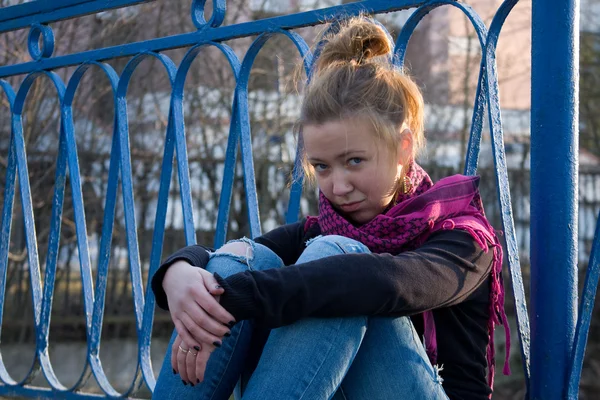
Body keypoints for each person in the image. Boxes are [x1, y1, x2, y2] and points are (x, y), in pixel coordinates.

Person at [150, 16, 510, 400]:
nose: (338, 186)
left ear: (403, 148)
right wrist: (180, 275)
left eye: (355, 161)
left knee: (337, 261)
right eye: (322, 166)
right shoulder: (324, 228)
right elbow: (233, 261)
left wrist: (236, 298)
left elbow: (385, 282)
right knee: (241, 261)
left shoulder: (463, 238)